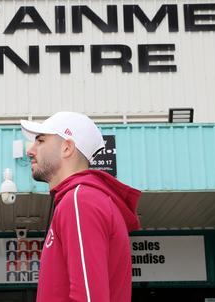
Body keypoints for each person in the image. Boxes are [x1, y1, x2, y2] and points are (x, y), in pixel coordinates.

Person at [20, 111, 141, 302]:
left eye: (40, 141)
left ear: (67, 148)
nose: (30, 150)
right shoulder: (83, 198)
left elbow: (89, 298)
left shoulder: (79, 200)